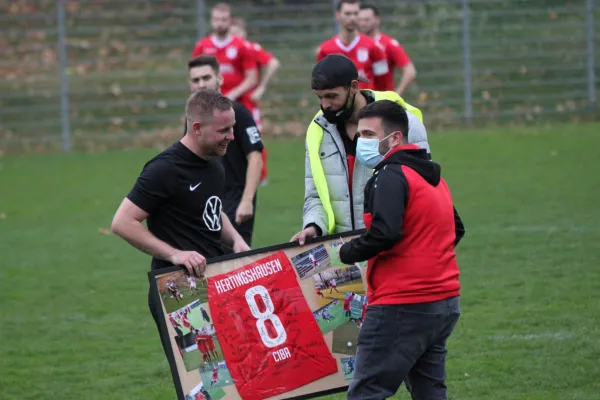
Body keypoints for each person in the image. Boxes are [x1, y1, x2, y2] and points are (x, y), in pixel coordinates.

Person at [110, 89, 251, 364]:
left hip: (216, 281)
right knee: (206, 382)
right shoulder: (164, 169)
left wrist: (235, 239)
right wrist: (176, 254)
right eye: (224, 130)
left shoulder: (214, 165)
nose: (232, 136)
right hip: (177, 290)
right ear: (197, 128)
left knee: (239, 372)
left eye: (232, 128)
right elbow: (122, 222)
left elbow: (210, 210)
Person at [336, 100, 465, 400]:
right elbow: (455, 229)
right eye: (360, 134)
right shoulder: (433, 177)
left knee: (366, 393)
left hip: (403, 304)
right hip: (443, 302)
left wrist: (347, 252)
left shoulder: (391, 175)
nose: (361, 141)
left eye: (369, 135)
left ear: (394, 138)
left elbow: (385, 233)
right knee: (429, 392)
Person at [290, 54, 430, 245]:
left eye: (332, 96)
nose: (325, 105)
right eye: (319, 97)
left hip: (395, 249)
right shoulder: (317, 130)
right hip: (343, 255)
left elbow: (424, 192)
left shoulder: (402, 123)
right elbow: (315, 196)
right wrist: (313, 226)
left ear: (354, 87)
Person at [188, 56, 263, 247]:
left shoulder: (238, 113)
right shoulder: (192, 120)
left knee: (234, 266)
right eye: (195, 80)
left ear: (219, 79)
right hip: (206, 203)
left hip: (234, 202)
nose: (201, 84)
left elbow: (255, 156)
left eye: (206, 78)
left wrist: (247, 201)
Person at [230, 17, 281, 186]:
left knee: (254, 136)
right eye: (232, 33)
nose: (235, 37)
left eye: (238, 33)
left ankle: (261, 176)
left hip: (247, 103)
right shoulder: (227, 52)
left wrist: (261, 88)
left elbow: (273, 63)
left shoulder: (251, 49)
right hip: (229, 103)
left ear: (243, 33)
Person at [191, 3, 257, 107]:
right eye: (216, 19)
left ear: (230, 21)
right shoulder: (202, 46)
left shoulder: (242, 46)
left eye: (223, 19)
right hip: (210, 104)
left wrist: (233, 94)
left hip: (239, 103)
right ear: (211, 20)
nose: (219, 23)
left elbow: (252, 78)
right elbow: (193, 76)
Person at [317, 0, 388, 91]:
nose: (352, 18)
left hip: (368, 104)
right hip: (339, 105)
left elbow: (384, 83)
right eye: (347, 14)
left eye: (356, 13)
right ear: (337, 15)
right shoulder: (325, 49)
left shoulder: (374, 46)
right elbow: (321, 84)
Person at [359, 3, 417, 95]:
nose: (363, 23)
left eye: (367, 20)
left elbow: (410, 71)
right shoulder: (354, 44)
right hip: (359, 99)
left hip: (381, 101)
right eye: (360, 20)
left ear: (377, 20)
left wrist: (396, 95)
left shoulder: (388, 44)